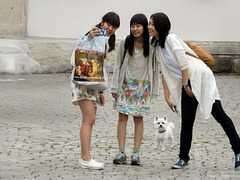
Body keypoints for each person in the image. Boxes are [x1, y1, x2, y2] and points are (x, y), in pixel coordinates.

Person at [148, 12, 240, 170]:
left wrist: (186, 86)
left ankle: (238, 150)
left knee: (219, 114)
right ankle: (183, 159)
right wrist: (167, 96)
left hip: (199, 77)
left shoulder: (171, 39)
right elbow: (166, 71)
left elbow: (184, 64)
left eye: (152, 24)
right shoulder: (156, 45)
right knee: (187, 121)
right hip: (187, 81)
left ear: (160, 25)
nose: (149, 27)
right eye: (149, 23)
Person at [71, 12, 120, 170]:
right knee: (88, 119)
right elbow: (78, 54)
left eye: (114, 26)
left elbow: (97, 65)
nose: (110, 28)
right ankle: (85, 157)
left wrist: (99, 91)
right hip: (83, 82)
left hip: (91, 83)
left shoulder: (106, 39)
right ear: (102, 22)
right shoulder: (92, 34)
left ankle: (85, 156)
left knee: (90, 120)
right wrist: (89, 37)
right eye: (108, 24)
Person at [111, 14, 159, 166]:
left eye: (138, 26)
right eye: (133, 25)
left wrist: (155, 90)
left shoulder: (151, 44)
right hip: (125, 86)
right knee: (122, 118)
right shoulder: (126, 42)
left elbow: (156, 67)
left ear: (145, 27)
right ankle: (121, 152)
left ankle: (136, 153)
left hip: (142, 88)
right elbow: (117, 65)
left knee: (138, 119)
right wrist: (114, 86)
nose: (135, 29)